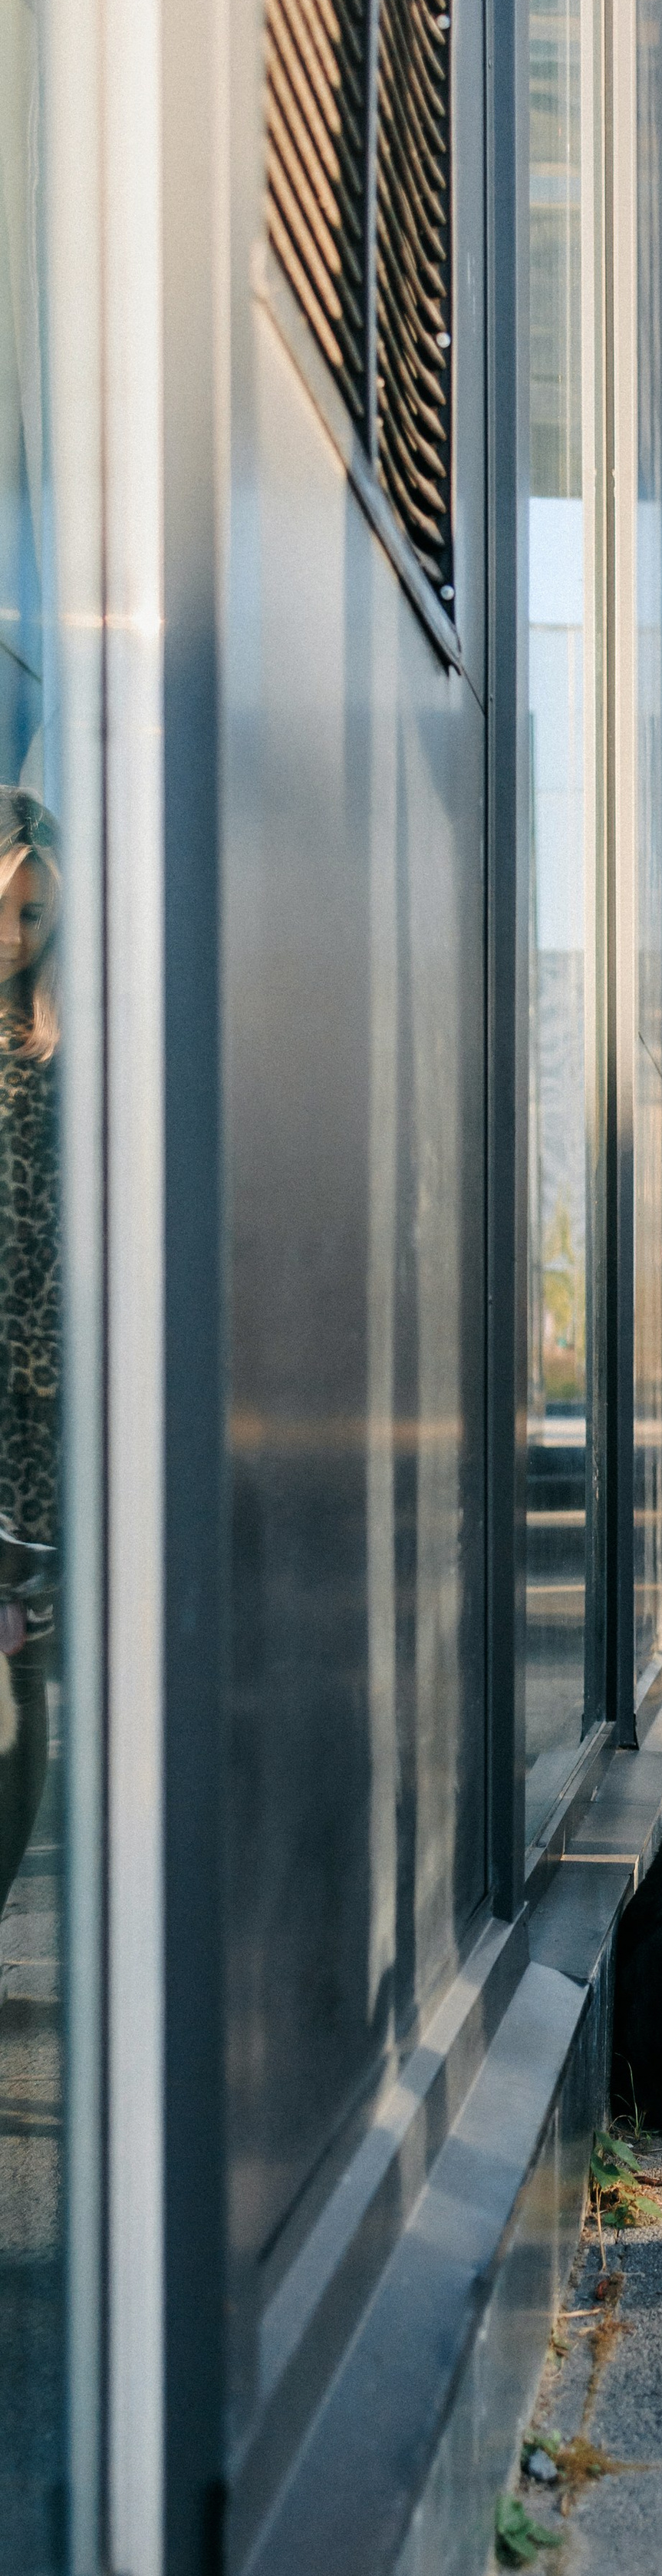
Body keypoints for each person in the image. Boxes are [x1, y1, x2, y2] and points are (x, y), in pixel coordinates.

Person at [0, 791, 60, 1919]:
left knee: (18, 1666)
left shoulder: (64, 1046)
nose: (14, 935)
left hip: (28, 1418)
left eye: (36, 912)